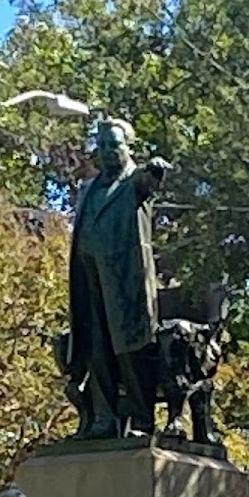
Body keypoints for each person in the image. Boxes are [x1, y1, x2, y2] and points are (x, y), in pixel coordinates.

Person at [67, 118, 172, 439]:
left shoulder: (134, 183)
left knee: (129, 348)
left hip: (126, 284)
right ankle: (104, 419)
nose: (110, 151)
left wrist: (156, 168)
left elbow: (151, 179)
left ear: (129, 148)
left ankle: (142, 420)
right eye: (104, 145)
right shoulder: (89, 188)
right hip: (90, 279)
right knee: (97, 347)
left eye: (116, 144)